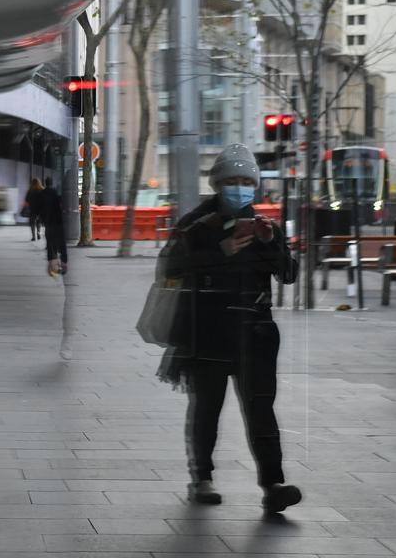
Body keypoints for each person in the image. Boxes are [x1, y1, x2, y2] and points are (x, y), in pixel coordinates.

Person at [158, 143, 302, 514]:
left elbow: (288, 275)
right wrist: (221, 251)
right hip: (207, 332)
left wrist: (272, 246)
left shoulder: (263, 225)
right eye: (232, 181)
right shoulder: (195, 225)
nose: (240, 187)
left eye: (246, 181)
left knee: (261, 411)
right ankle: (201, 477)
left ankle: (273, 484)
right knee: (207, 408)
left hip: (255, 332)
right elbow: (170, 268)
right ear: (218, 184)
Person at [39, 177, 67, 275]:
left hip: (48, 222)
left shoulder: (42, 194)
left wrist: (42, 219)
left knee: (50, 243)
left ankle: (52, 265)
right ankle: (63, 265)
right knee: (60, 242)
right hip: (57, 221)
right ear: (51, 183)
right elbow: (59, 207)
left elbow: (41, 208)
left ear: (45, 183)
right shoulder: (55, 193)